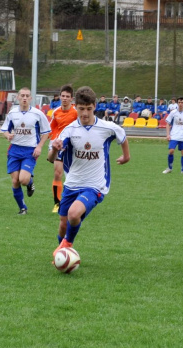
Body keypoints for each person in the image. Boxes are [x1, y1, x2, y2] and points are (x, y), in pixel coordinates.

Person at [50, 86, 130, 256]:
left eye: (88, 109)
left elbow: (122, 136)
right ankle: (63, 255)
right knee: (63, 223)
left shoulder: (107, 127)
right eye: (81, 109)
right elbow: (51, 159)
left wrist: (126, 157)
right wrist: (55, 149)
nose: (85, 113)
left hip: (95, 186)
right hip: (72, 183)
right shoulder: (70, 130)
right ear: (75, 107)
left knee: (73, 214)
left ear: (94, 106)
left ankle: (65, 247)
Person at [1, 87, 51, 215]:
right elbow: (5, 130)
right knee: (15, 180)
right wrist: (8, 135)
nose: (24, 98)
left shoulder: (38, 114)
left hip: (30, 151)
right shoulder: (12, 113)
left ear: (30, 98)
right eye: (22, 95)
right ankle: (22, 208)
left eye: (27, 96)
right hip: (14, 150)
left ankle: (30, 182)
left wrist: (39, 146)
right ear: (17, 97)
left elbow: (46, 132)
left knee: (23, 180)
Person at [47, 84, 78, 213]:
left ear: (72, 98)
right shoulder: (56, 112)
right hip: (59, 146)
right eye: (62, 96)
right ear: (60, 97)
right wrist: (53, 139)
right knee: (57, 173)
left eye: (67, 96)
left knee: (72, 176)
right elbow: (51, 127)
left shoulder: (76, 112)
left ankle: (75, 201)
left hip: (73, 147)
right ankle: (57, 203)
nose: (64, 98)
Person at [162, 97, 183, 175]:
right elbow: (167, 123)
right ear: (177, 103)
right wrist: (167, 135)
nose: (180, 104)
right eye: (179, 102)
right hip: (174, 135)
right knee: (171, 151)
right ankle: (169, 168)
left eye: (182, 102)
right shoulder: (173, 112)